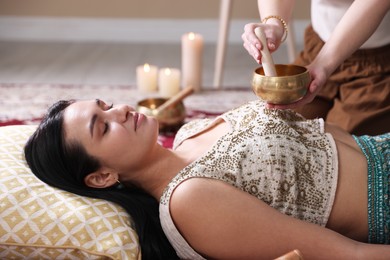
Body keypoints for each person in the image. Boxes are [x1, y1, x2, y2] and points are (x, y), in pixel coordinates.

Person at [24, 98, 390, 259]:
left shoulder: (189, 131)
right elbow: (347, 255)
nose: (120, 111)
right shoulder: (188, 201)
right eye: (102, 127)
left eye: (105, 106)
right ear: (103, 176)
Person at [242, 0, 390, 136]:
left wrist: (324, 63)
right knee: (279, 131)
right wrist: (274, 23)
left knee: (344, 146)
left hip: (378, 67)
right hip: (316, 50)